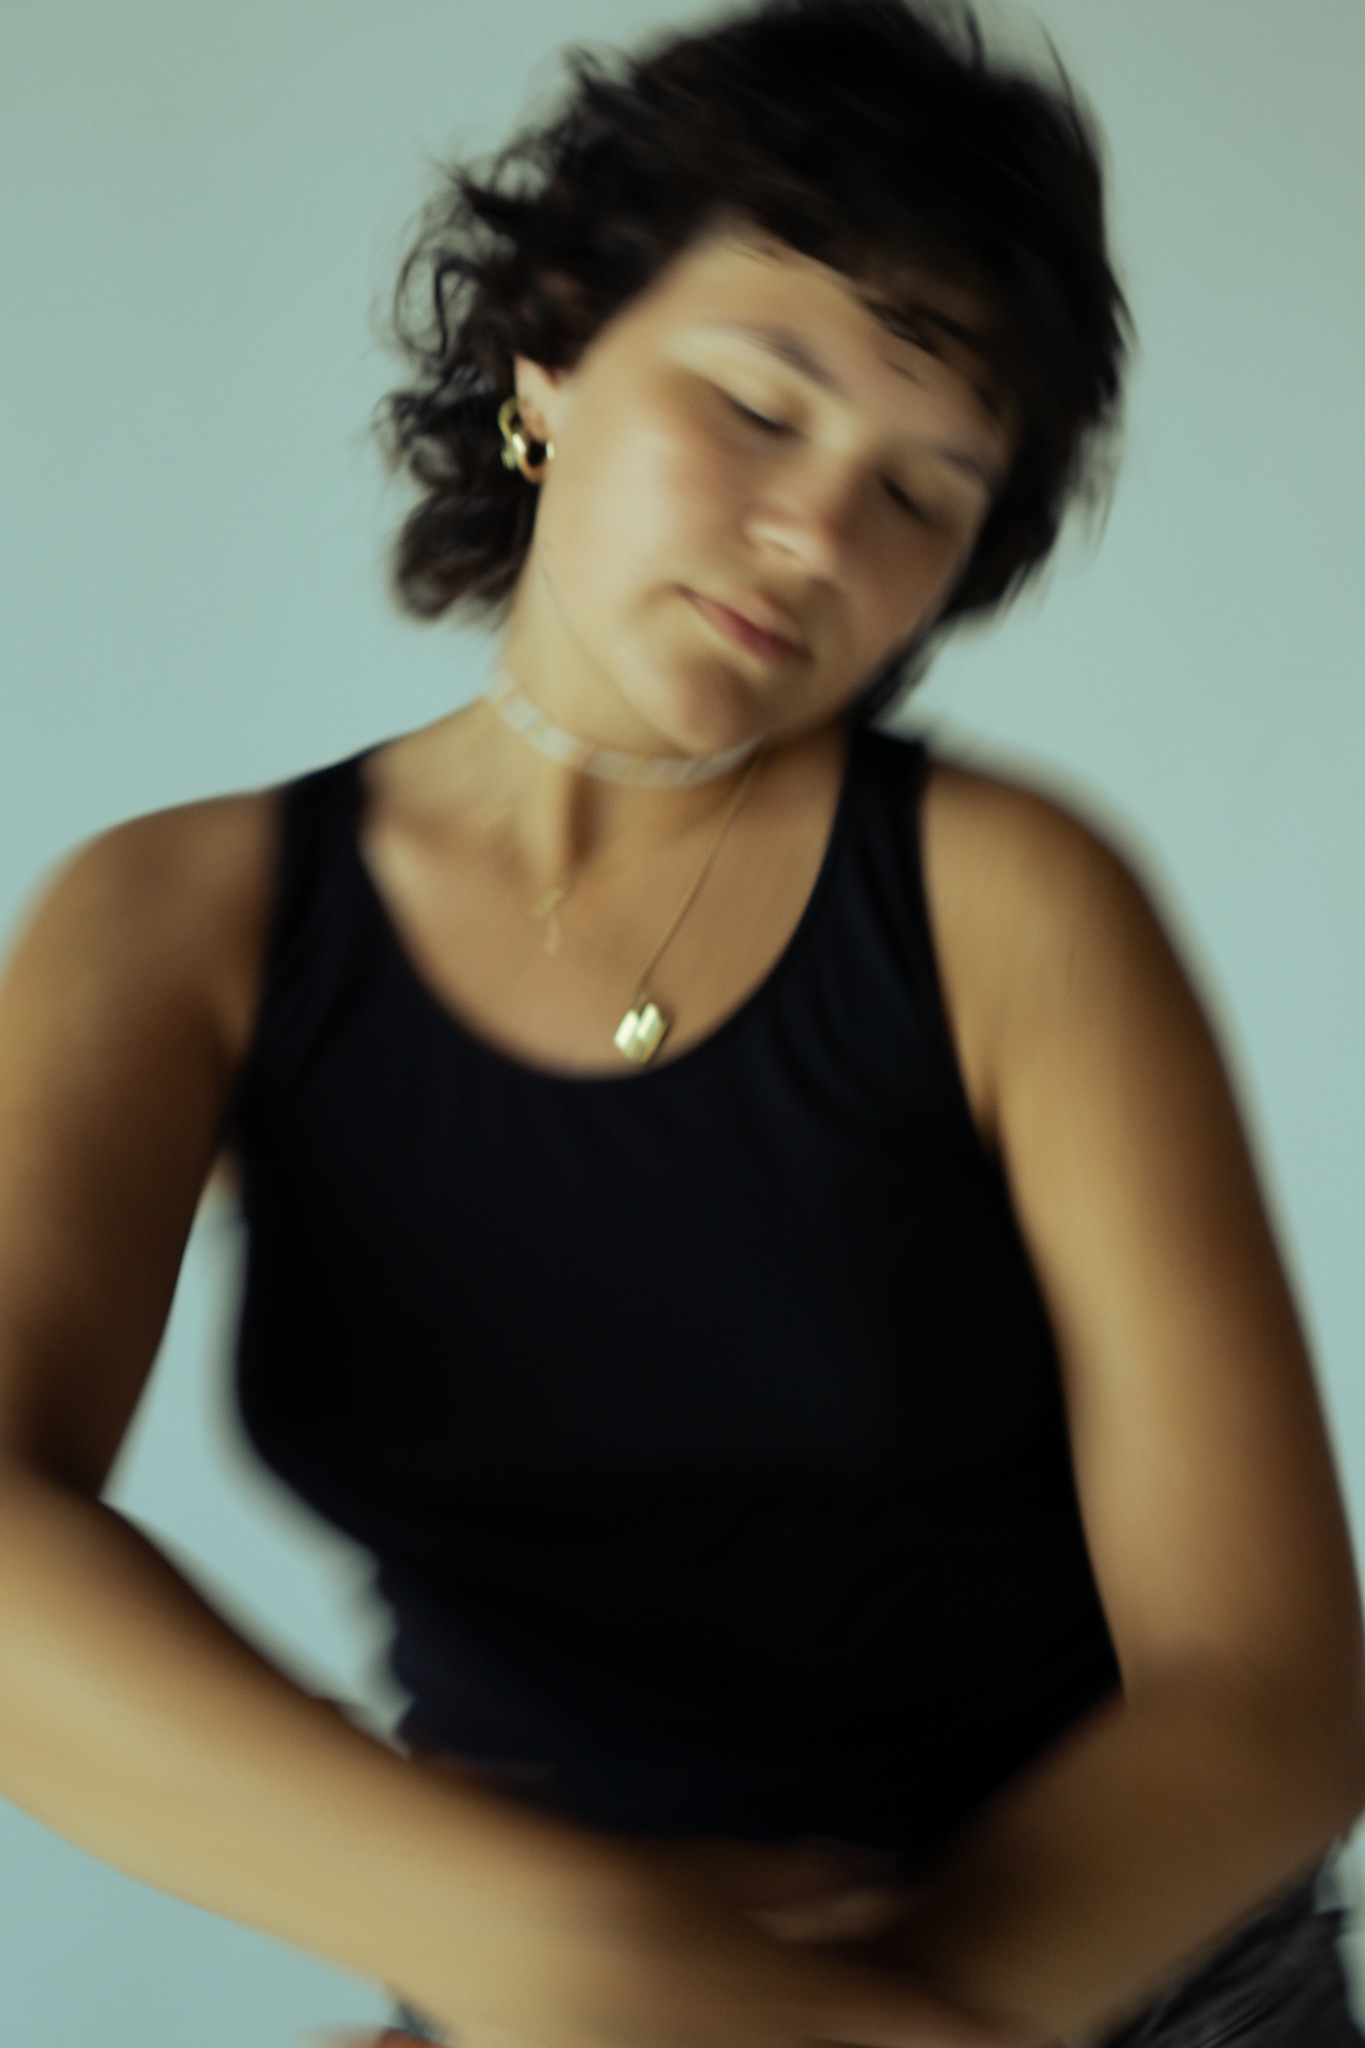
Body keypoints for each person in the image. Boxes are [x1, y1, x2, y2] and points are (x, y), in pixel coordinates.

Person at [0, 2, 1361, 2045]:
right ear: (550, 350)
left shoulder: (1007, 901)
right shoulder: (178, 918)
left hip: (1096, 1993)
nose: (817, 535)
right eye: (755, 402)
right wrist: (572, 1961)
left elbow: (1267, 1701)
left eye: (922, 493)